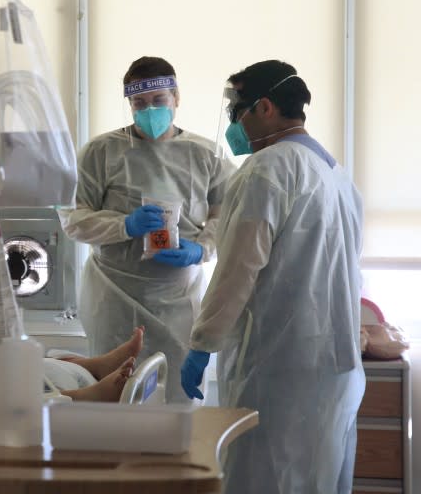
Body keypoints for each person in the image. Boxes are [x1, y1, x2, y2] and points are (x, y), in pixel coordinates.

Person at [181, 60, 365, 493]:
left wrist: (202, 342)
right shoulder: (335, 174)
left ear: (264, 107)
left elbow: (237, 269)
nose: (232, 123)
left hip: (279, 365)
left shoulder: (268, 169)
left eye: (236, 110)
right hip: (333, 364)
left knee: (265, 476)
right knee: (317, 478)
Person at [60, 56, 235, 403]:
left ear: (176, 98)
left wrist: (201, 248)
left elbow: (228, 216)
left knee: (174, 400)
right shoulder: (101, 152)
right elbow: (73, 219)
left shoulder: (207, 156)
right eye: (139, 103)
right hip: (114, 295)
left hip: (178, 298)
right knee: (113, 395)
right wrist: (124, 224)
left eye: (158, 101)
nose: (149, 110)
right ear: (129, 104)